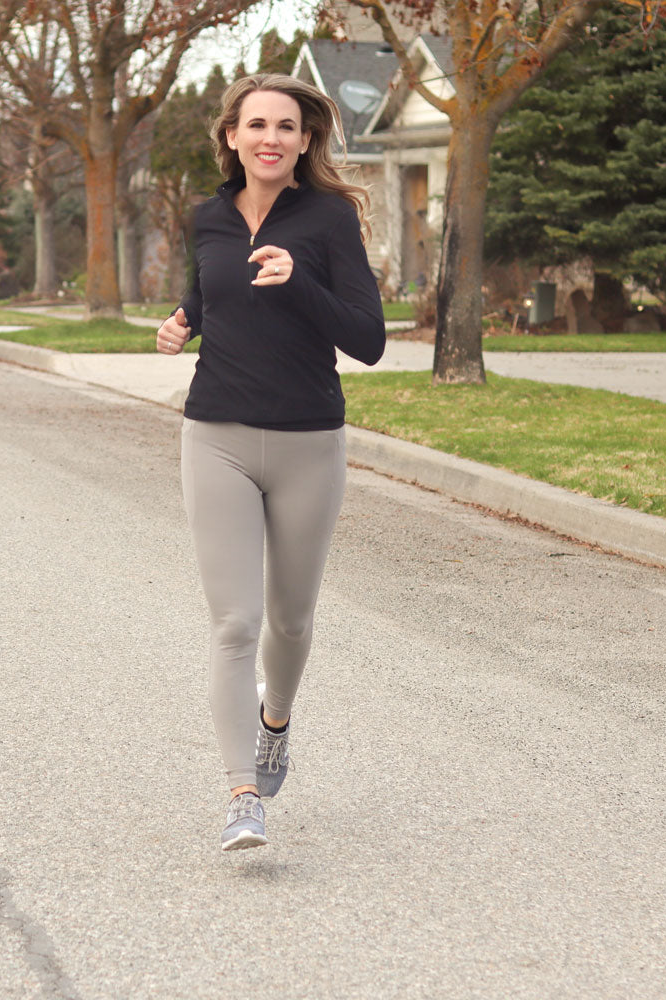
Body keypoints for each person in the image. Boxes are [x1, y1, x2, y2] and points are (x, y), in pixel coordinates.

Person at [157, 73, 386, 851]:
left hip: (307, 442)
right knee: (234, 624)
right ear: (231, 136)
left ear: (305, 140)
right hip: (214, 432)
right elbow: (209, 290)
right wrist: (184, 319)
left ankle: (276, 721)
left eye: (286, 127)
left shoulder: (328, 219)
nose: (271, 138)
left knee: (289, 620)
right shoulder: (208, 217)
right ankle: (241, 793)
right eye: (256, 124)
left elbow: (369, 339)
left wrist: (300, 287)